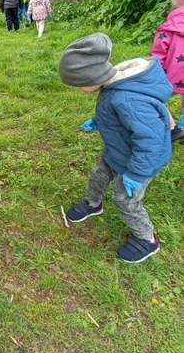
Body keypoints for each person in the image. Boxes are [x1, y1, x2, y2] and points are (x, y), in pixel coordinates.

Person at [59, 33, 172, 263]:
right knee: (98, 175)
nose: (79, 88)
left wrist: (137, 173)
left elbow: (151, 140)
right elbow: (122, 120)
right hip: (117, 151)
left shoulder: (127, 99)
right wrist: (99, 121)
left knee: (125, 199)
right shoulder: (112, 88)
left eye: (79, 83)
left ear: (93, 76)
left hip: (138, 161)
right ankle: (93, 204)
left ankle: (147, 239)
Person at [150, 0, 184, 141]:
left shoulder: (167, 27)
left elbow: (158, 53)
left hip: (171, 74)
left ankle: (172, 128)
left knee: (154, 95)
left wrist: (153, 70)